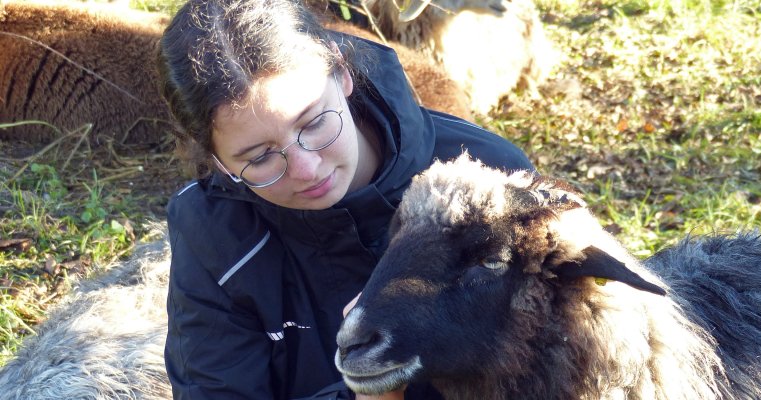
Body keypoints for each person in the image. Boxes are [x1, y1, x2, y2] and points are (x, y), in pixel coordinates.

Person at [156, 0, 535, 399]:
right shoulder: (210, 232)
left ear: (340, 72)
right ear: (216, 160)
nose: (307, 169)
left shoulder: (492, 176)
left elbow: (553, 357)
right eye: (260, 157)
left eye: (315, 122)